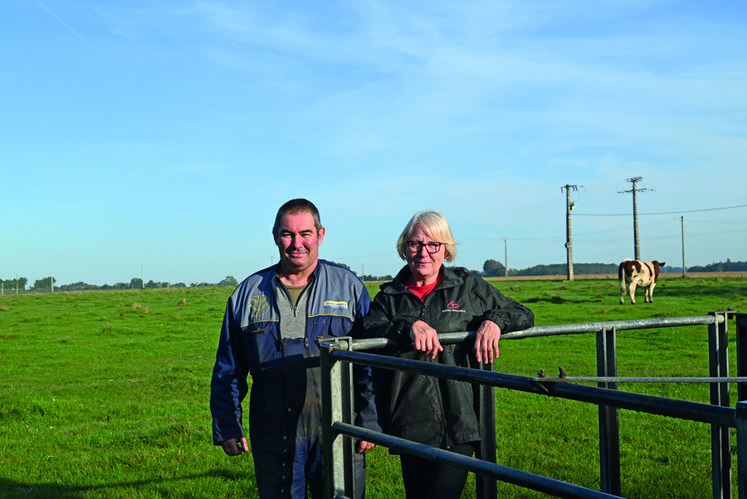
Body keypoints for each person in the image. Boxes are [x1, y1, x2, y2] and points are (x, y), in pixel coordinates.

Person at [360, 210, 534, 499]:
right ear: (404, 248)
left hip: (460, 419)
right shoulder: (389, 297)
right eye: (415, 243)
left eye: (434, 245)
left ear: (446, 249)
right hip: (410, 420)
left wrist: (494, 322)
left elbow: (522, 313)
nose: (424, 252)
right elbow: (369, 329)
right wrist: (407, 325)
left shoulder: (468, 287)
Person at [210, 198, 377, 499]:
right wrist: (227, 425)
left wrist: (369, 418)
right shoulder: (247, 295)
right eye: (288, 234)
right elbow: (229, 368)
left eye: (305, 234)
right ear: (275, 235)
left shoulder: (348, 287)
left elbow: (368, 363)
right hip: (274, 434)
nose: (296, 243)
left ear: (321, 235)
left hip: (339, 429)